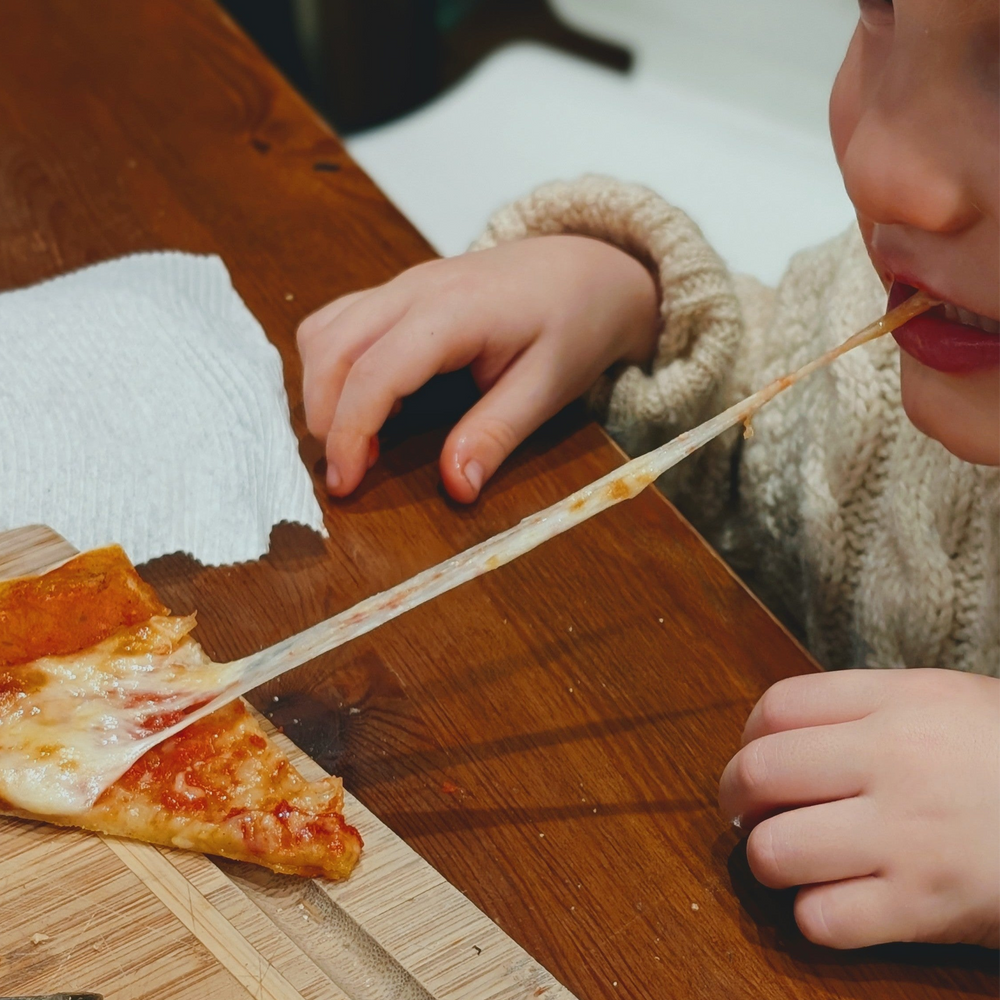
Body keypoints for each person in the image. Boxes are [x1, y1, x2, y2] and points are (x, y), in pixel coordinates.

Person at [297, 0, 1000, 951]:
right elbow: (791, 448)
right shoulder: (939, 318)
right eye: (878, 9)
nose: (882, 168)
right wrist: (638, 313)